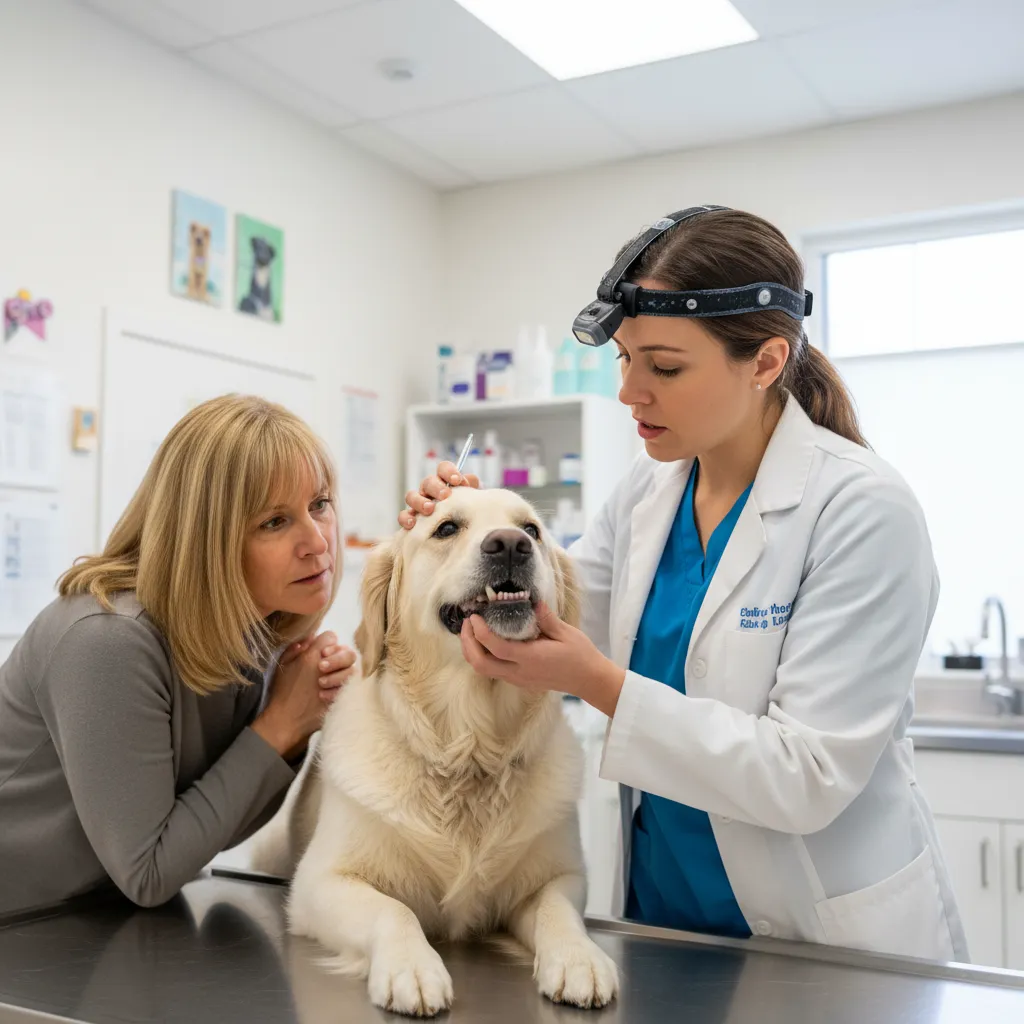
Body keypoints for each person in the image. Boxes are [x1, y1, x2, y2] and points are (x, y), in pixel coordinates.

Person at [401, 206, 967, 962]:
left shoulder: (862, 510)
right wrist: (472, 538)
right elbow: (552, 610)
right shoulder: (650, 489)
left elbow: (806, 776)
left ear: (766, 363)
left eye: (664, 367)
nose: (632, 392)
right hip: (664, 918)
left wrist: (600, 684)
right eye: (625, 360)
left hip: (815, 944)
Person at [0, 395, 356, 915]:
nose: (318, 543)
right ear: (207, 537)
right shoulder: (108, 641)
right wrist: (281, 724)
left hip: (86, 921)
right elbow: (149, 872)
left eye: (319, 505)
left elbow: (211, 824)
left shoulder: (249, 630)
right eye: (275, 522)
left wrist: (296, 720)